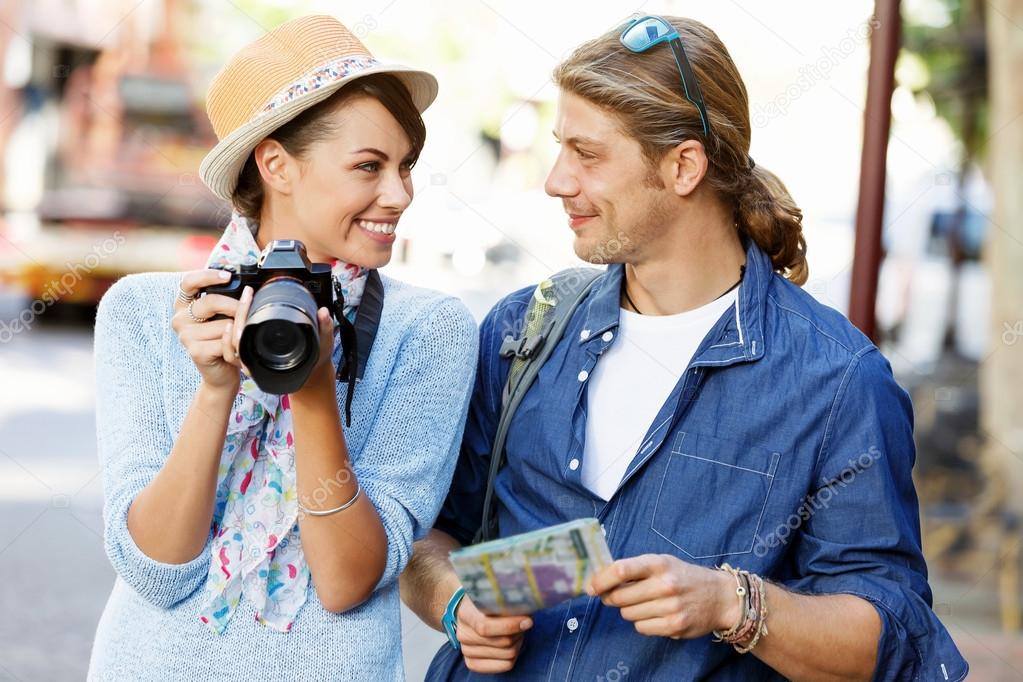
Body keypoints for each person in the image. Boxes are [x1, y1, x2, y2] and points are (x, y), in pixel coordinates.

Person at [400, 15, 967, 681]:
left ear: (683, 165)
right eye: (560, 149)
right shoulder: (522, 329)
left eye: (586, 154)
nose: (555, 180)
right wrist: (455, 601)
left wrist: (734, 605)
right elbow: (427, 541)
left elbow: (889, 640)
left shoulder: (837, 380)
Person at [88, 15, 477, 681]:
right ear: (276, 165)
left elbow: (346, 581)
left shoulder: (429, 328)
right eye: (368, 167)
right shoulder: (147, 310)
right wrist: (214, 391)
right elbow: (154, 571)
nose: (400, 194)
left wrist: (313, 385)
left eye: (406, 167)